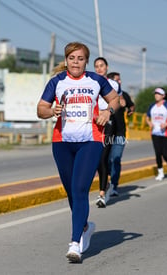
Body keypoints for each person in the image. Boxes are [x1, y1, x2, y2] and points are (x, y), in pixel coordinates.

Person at [37, 42, 119, 263]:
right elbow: (40, 109)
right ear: (66, 60)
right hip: (62, 142)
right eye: (72, 58)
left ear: (86, 61)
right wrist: (50, 110)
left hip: (90, 140)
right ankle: (85, 226)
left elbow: (115, 99)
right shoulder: (57, 82)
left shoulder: (96, 80)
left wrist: (107, 112)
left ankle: (75, 243)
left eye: (80, 58)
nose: (76, 62)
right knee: (71, 192)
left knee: (80, 188)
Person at [93, 57, 123, 208]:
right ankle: (107, 185)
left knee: (103, 157)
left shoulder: (113, 84)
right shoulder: (90, 82)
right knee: (97, 159)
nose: (99, 69)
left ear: (107, 67)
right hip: (93, 124)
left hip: (109, 123)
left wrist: (109, 111)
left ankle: (102, 194)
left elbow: (118, 101)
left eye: (102, 66)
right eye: (96, 66)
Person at [107, 72, 135, 196]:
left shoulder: (124, 95)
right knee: (105, 160)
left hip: (120, 133)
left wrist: (130, 110)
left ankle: (114, 185)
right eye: (117, 80)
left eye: (120, 80)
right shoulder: (103, 94)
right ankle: (106, 179)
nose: (120, 82)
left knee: (116, 158)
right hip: (106, 133)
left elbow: (132, 106)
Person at [146, 87, 167, 181]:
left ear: (163, 96)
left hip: (166, 133)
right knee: (158, 154)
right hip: (155, 133)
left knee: (165, 154)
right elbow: (147, 118)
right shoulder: (152, 106)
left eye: (158, 94)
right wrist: (149, 123)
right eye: (155, 94)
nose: (156, 95)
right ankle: (160, 172)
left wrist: (166, 124)